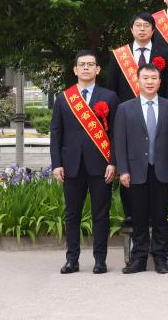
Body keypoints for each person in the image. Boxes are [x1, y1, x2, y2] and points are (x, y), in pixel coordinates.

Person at [51, 50, 120, 274]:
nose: (86, 68)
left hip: (101, 165)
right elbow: (56, 133)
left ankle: (100, 260)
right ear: (75, 70)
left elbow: (116, 134)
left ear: (98, 69)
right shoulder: (64, 98)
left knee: (101, 214)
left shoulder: (109, 97)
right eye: (82, 64)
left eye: (91, 64)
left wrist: (113, 162)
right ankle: (72, 260)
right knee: (72, 215)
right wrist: (57, 164)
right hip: (71, 166)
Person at [113, 63, 168, 274]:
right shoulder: (125, 108)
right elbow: (119, 142)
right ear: (137, 81)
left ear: (160, 82)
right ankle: (138, 258)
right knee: (138, 217)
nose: (149, 82)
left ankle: (161, 258)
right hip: (135, 171)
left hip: (162, 170)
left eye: (153, 78)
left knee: (160, 217)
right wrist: (123, 170)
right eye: (145, 78)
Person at [107, 13, 168, 101]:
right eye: (138, 25)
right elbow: (111, 86)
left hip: (157, 105)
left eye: (146, 25)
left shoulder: (165, 54)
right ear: (132, 29)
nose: (142, 29)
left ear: (153, 30)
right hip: (126, 106)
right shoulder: (119, 54)